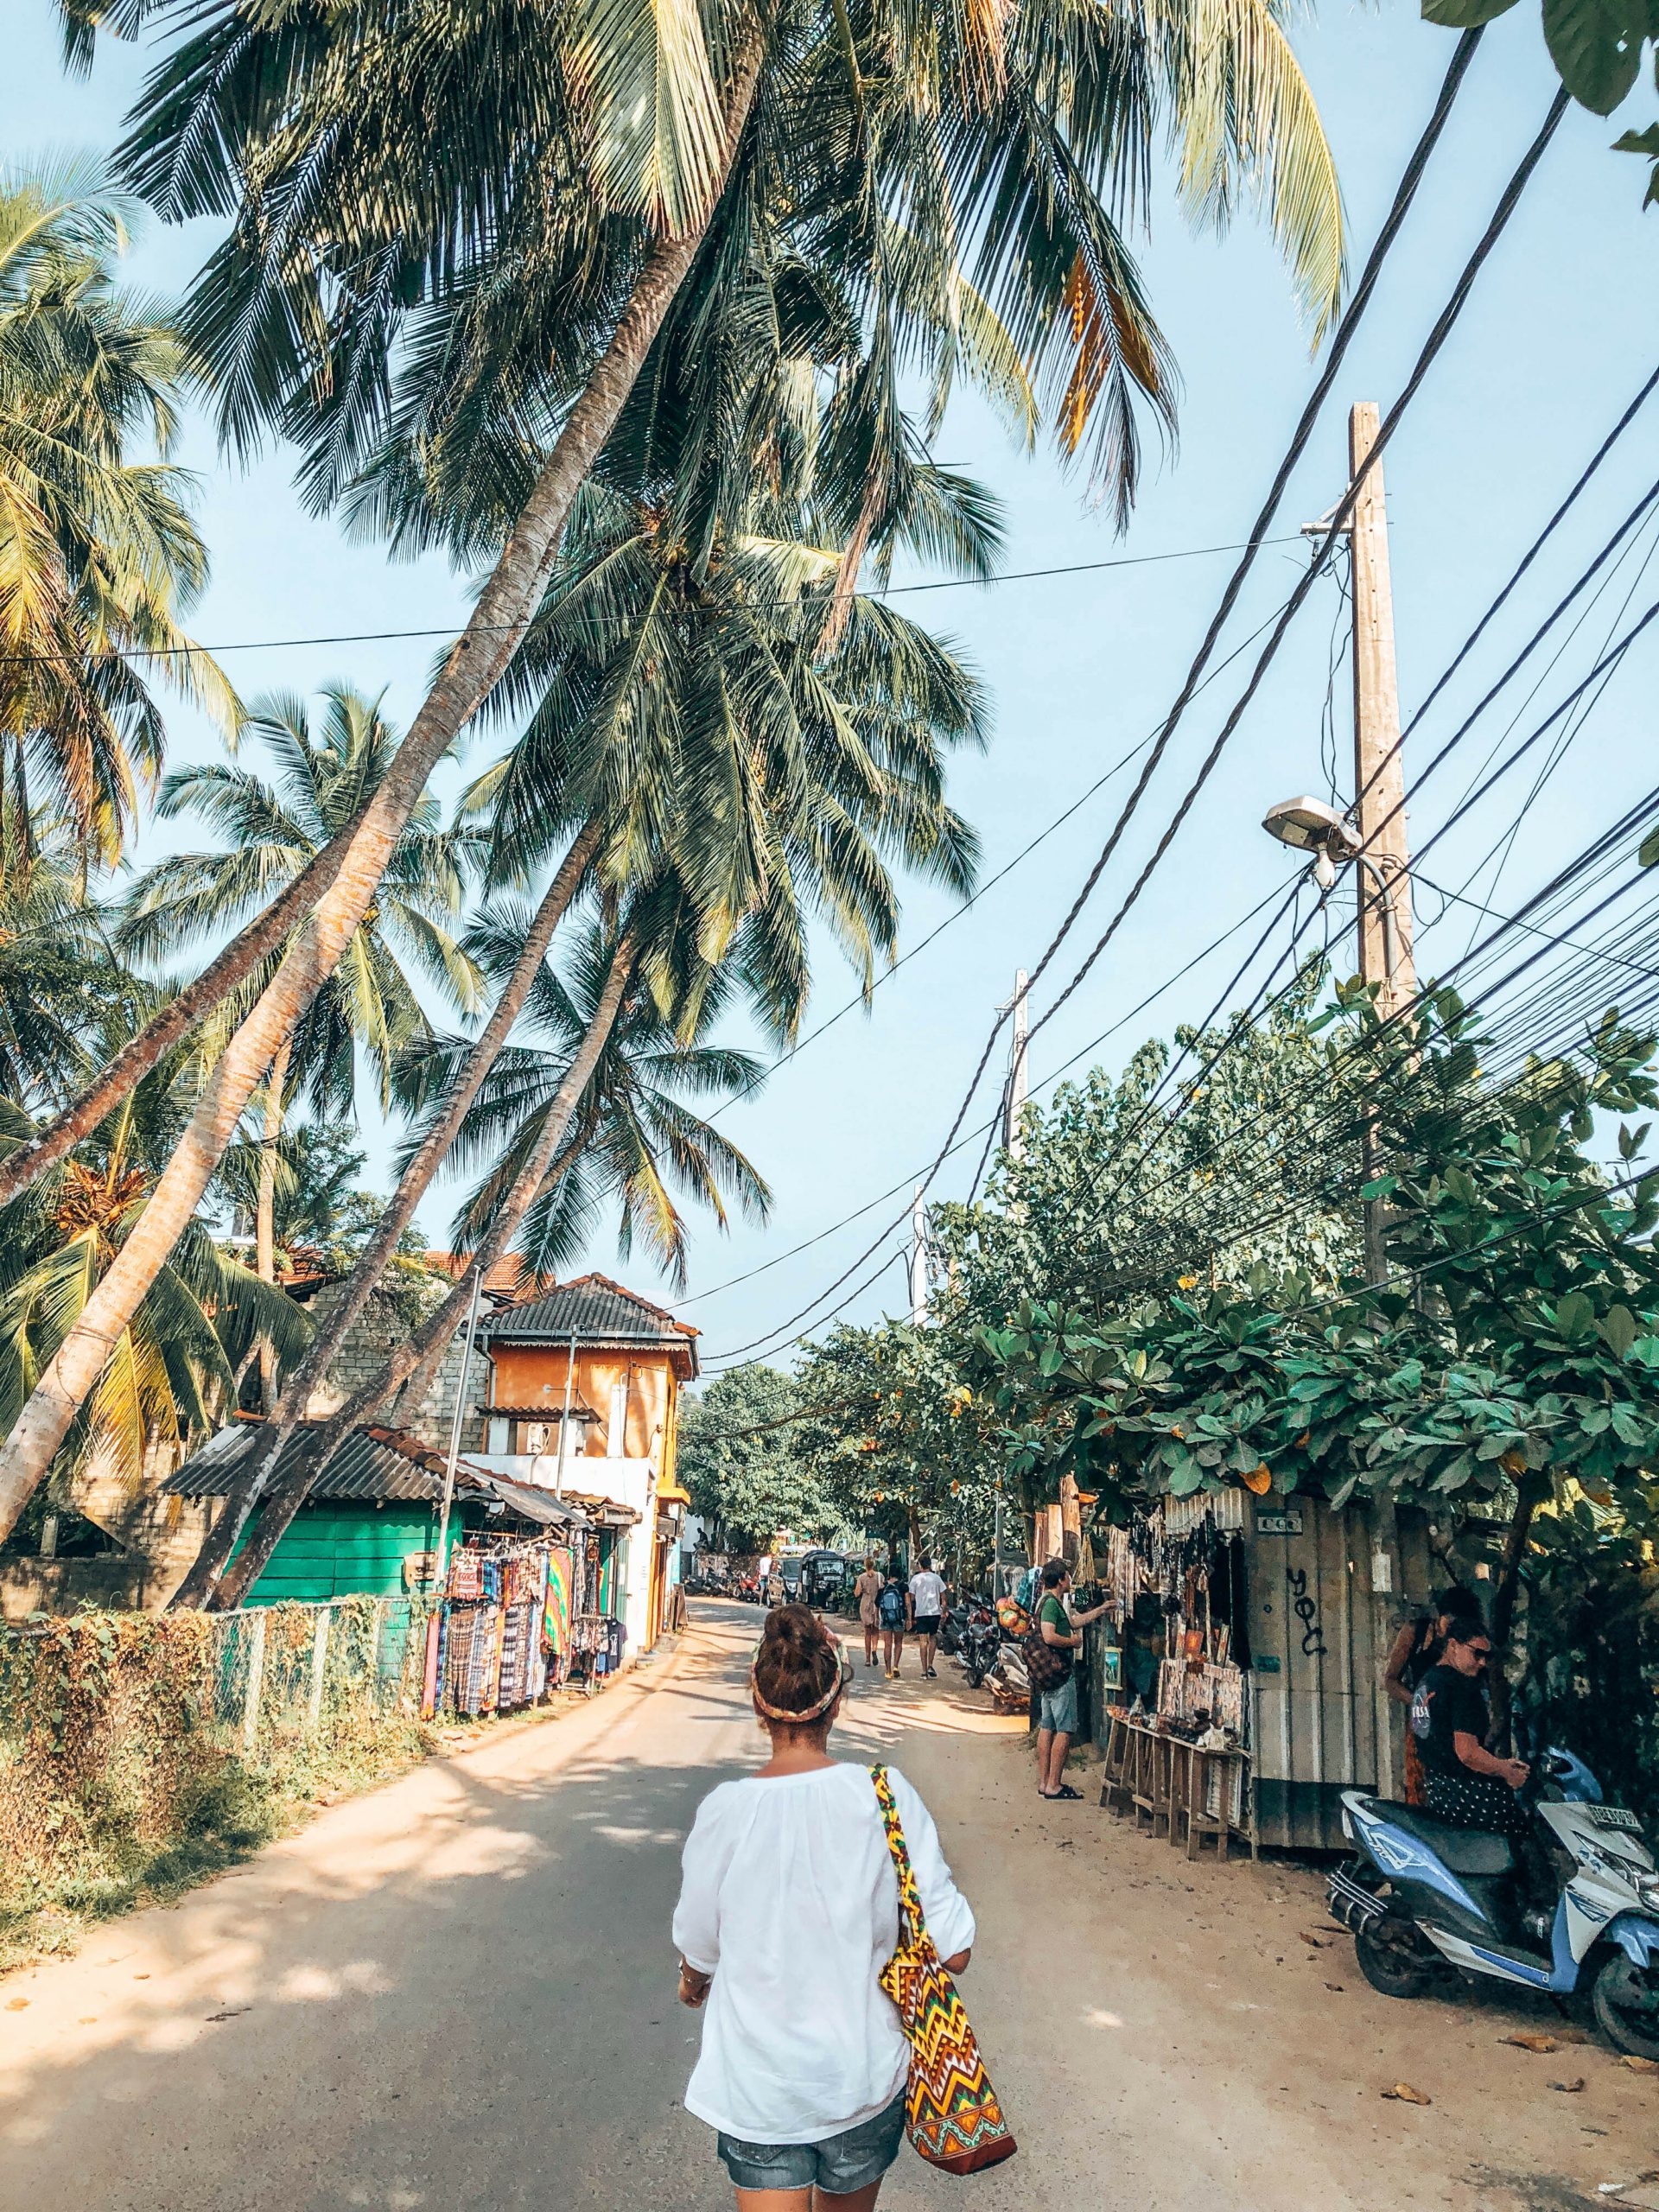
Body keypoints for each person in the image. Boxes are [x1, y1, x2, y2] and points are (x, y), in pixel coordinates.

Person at [673, 1605, 976, 2212]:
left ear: (758, 1704)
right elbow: (956, 1950)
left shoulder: (726, 1810)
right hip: (859, 2083)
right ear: (837, 1703)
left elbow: (700, 1943)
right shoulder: (886, 1798)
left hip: (760, 2090)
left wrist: (692, 1982)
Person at [1411, 1617, 1530, 1845]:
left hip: (1440, 1795)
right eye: (1477, 1654)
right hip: (1472, 1797)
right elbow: (1468, 1753)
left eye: (1487, 1656)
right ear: (1453, 1645)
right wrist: (1505, 1770)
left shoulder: (1428, 1682)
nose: (1482, 1662)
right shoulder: (1462, 1689)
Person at [1384, 1583, 1484, 1806]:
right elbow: (1390, 1681)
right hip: (1425, 1722)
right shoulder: (1415, 1632)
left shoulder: (1470, 1641)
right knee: (1422, 1785)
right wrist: (1419, 1702)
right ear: (1440, 1615)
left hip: (1461, 1723)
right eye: (1451, 1621)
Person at [1034, 1561, 1110, 1801]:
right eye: (1068, 1576)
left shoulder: (1050, 1602)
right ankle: (1054, 1784)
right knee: (1064, 1730)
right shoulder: (1049, 1604)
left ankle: (1044, 1782)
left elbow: (1071, 1623)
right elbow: (1049, 1635)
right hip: (1060, 1674)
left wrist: (1099, 1610)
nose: (1070, 1579)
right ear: (1060, 1580)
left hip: (1049, 1677)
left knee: (1047, 1727)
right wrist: (1074, 1643)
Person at [906, 1555, 946, 1681]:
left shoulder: (915, 1579)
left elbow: (911, 1598)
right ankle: (930, 1665)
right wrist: (944, 1611)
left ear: (920, 1565)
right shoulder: (937, 1578)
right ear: (929, 1565)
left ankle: (924, 1671)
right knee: (933, 1638)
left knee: (923, 1641)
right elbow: (944, 1598)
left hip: (921, 1613)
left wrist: (910, 1616)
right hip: (935, 1613)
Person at [877, 1565, 907, 1679]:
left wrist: (876, 1618)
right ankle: (896, 1666)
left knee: (887, 1645)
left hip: (885, 1619)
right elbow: (908, 1602)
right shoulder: (903, 1586)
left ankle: (888, 1671)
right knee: (898, 1643)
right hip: (899, 1618)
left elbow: (877, 1604)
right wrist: (909, 1618)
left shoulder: (883, 1587)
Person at [853, 1556, 883, 1669]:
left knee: (867, 1632)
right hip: (877, 1605)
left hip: (865, 1605)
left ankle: (867, 1659)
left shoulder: (861, 1577)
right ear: (873, 1564)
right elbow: (883, 1589)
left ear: (865, 1565)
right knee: (875, 1630)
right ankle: (874, 1650)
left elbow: (857, 1593)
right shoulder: (880, 1576)